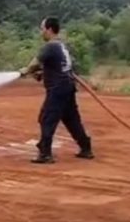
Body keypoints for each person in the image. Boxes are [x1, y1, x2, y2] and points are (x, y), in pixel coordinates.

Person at [19, 17, 94, 164]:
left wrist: (25, 71)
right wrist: (41, 74)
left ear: (49, 29)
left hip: (57, 89)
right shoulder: (62, 45)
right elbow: (60, 67)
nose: (41, 32)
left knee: (46, 118)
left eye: (42, 29)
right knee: (72, 119)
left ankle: (45, 154)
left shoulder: (50, 46)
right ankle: (86, 148)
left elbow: (35, 63)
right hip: (67, 87)